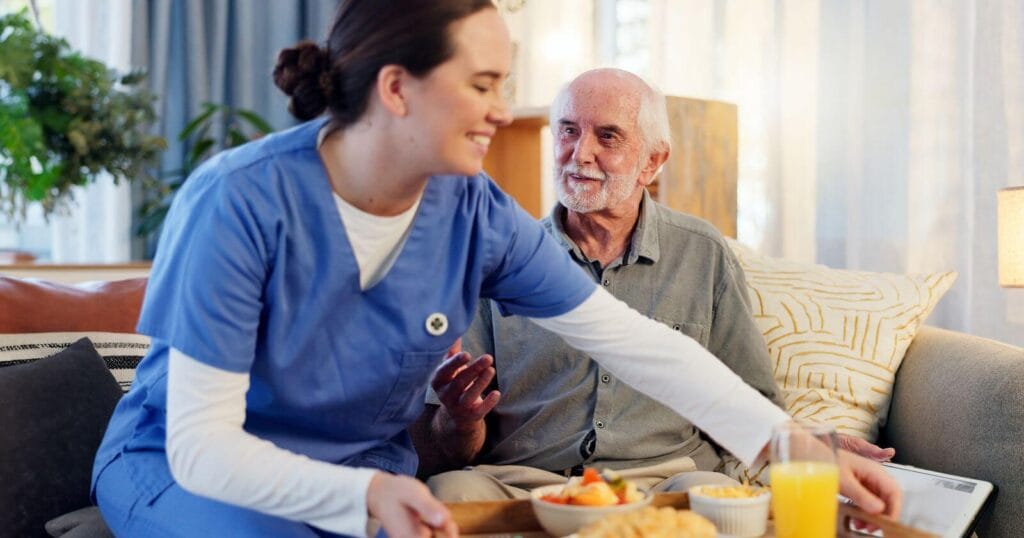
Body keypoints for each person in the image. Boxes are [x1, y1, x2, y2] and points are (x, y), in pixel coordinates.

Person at [91, 2, 899, 537]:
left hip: (364, 473)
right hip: (190, 467)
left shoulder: (472, 211)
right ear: (398, 89)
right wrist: (362, 498)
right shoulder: (239, 202)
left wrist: (785, 441)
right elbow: (203, 448)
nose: (503, 109)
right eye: (482, 84)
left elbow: (627, 337)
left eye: (503, 85)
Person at [418, 68, 896, 503]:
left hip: (666, 480)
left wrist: (805, 443)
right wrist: (459, 418)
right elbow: (442, 445)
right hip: (525, 481)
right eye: (568, 130)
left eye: (607, 136)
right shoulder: (500, 252)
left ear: (653, 161)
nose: (579, 153)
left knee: (719, 501)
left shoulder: (702, 251)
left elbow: (737, 391)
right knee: (448, 493)